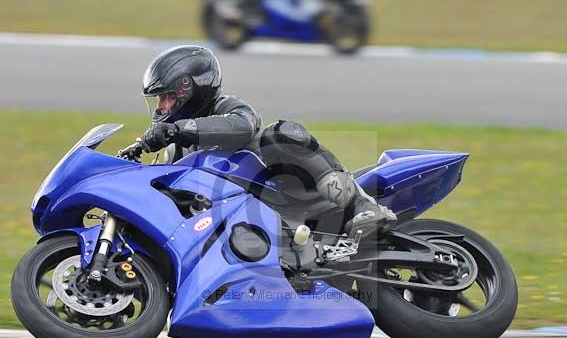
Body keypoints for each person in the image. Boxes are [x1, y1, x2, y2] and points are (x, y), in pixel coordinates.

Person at [130, 45, 396, 237]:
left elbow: (244, 126)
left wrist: (178, 129)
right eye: (159, 99)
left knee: (280, 134)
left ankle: (362, 205)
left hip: (287, 194)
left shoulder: (226, 107)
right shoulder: (177, 150)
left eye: (168, 97)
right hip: (236, 226)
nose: (162, 107)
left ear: (190, 88)